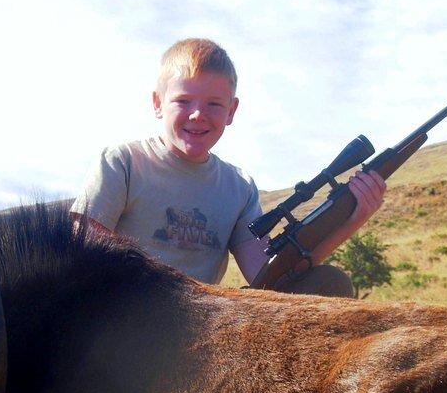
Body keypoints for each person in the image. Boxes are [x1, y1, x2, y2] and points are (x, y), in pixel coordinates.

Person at [70, 38, 386, 296]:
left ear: (231, 111)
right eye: (183, 101)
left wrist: (353, 219)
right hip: (120, 317)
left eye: (214, 104)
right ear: (157, 103)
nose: (197, 115)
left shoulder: (239, 186)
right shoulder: (122, 162)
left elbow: (272, 278)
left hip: (201, 326)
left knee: (330, 283)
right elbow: (82, 246)